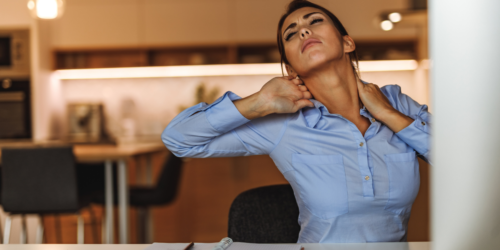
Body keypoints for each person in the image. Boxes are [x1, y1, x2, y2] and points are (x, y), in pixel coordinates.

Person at [162, 0, 430, 243]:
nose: (303, 31)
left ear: (347, 42)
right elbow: (178, 140)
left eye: (315, 21)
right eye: (291, 33)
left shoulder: (397, 104)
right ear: (290, 68)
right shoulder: (283, 123)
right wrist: (257, 103)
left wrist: (388, 115)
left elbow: (460, 162)